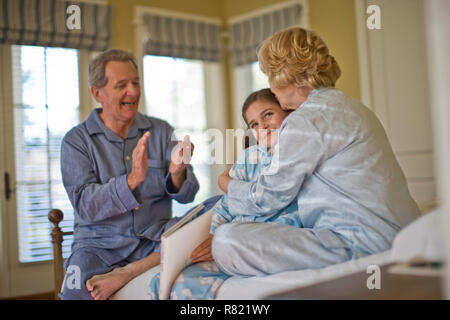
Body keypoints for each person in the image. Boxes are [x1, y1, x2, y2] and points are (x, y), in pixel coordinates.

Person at [212, 27, 421, 277]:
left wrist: (226, 183)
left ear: (284, 74)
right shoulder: (350, 106)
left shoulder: (307, 119)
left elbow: (266, 198)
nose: (271, 88)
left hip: (364, 245)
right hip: (401, 233)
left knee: (226, 240)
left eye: (270, 76)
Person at [59, 49, 200, 300]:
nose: (133, 92)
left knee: (211, 211)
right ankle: (125, 271)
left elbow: (188, 195)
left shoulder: (161, 130)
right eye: (122, 85)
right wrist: (132, 180)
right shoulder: (76, 141)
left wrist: (178, 173)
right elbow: (85, 205)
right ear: (97, 93)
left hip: (154, 240)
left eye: (136, 82)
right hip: (98, 246)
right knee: (74, 288)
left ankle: (128, 272)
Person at [148, 88, 302, 299]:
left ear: (287, 113)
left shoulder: (300, 158)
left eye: (268, 114)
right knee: (163, 283)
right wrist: (214, 235)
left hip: (262, 244)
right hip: (230, 243)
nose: (263, 125)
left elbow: (296, 216)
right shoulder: (250, 158)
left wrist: (232, 242)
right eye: (254, 124)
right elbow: (226, 205)